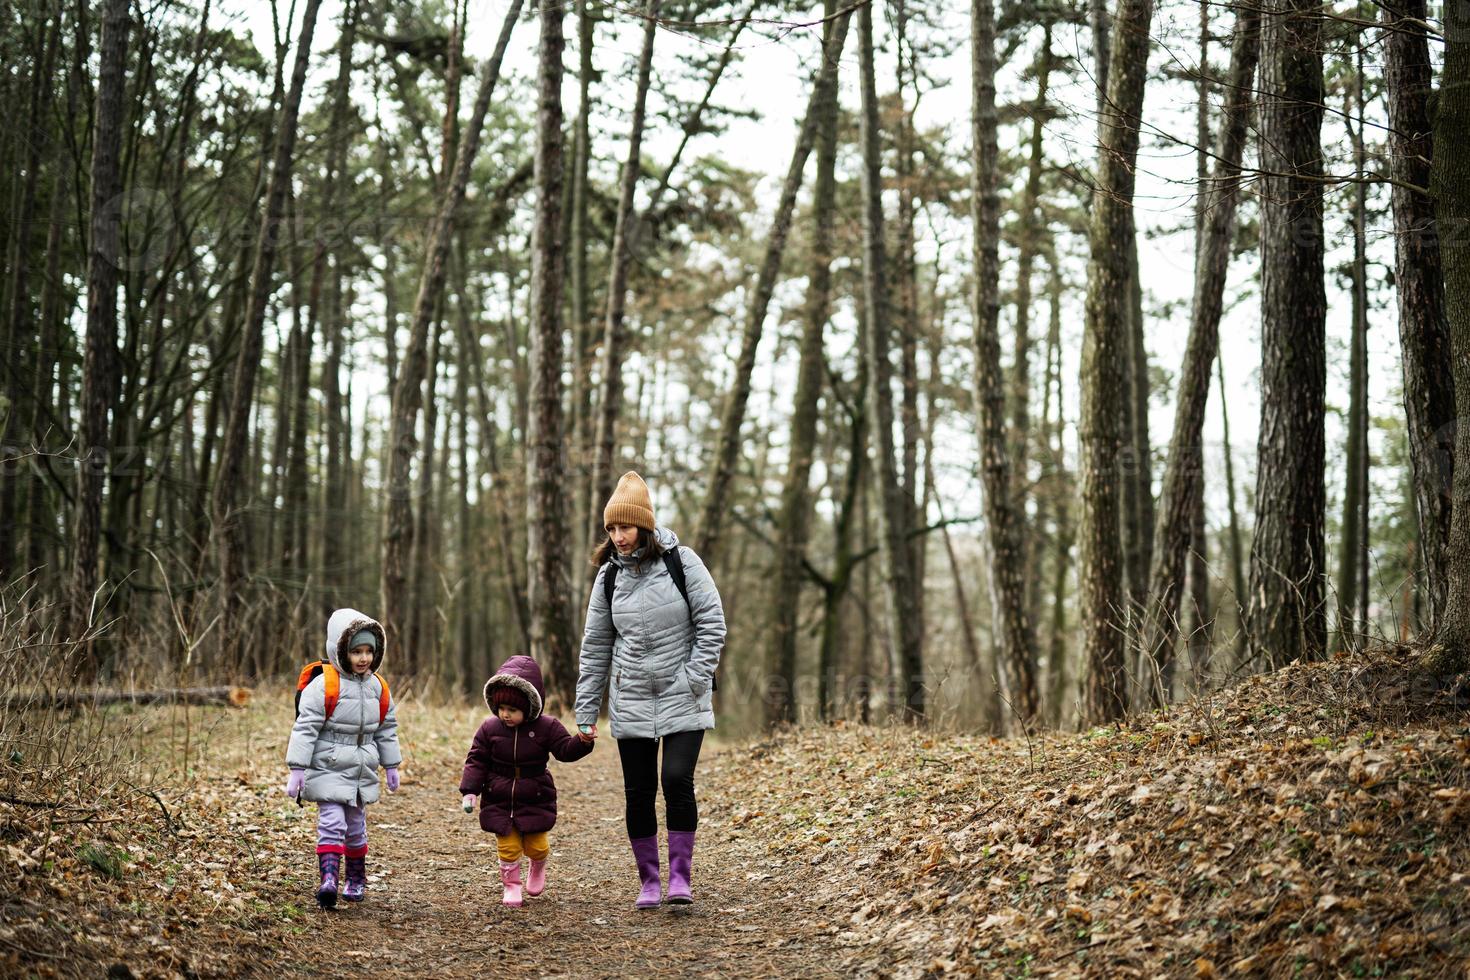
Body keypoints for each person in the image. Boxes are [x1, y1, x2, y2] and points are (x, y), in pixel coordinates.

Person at [574, 471, 727, 908]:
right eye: (611, 529)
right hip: (632, 697)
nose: (618, 536)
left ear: (645, 524)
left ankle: (681, 877)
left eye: (624, 526)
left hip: (684, 692)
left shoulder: (684, 562)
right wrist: (586, 710)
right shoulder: (607, 578)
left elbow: (712, 624)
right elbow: (596, 646)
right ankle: (650, 881)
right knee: (638, 792)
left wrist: (694, 678)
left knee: (676, 780)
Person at [286, 608, 401, 909]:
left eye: (368, 652)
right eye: (356, 651)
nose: (363, 658)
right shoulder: (324, 685)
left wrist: (391, 764)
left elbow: (386, 728)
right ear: (340, 650)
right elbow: (305, 727)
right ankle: (328, 880)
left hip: (362, 767)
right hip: (328, 764)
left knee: (355, 826)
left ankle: (355, 877)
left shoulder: (378, 686)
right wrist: (297, 768)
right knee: (332, 822)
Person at [460, 655, 594, 907]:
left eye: (512, 710)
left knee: (537, 845)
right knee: (508, 847)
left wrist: (583, 741)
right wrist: (470, 791)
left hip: (535, 793)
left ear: (529, 707)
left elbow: (565, 750)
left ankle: (537, 865)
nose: (505, 715)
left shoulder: (547, 727)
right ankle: (511, 886)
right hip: (498, 794)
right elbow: (476, 759)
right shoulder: (490, 728)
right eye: (501, 709)